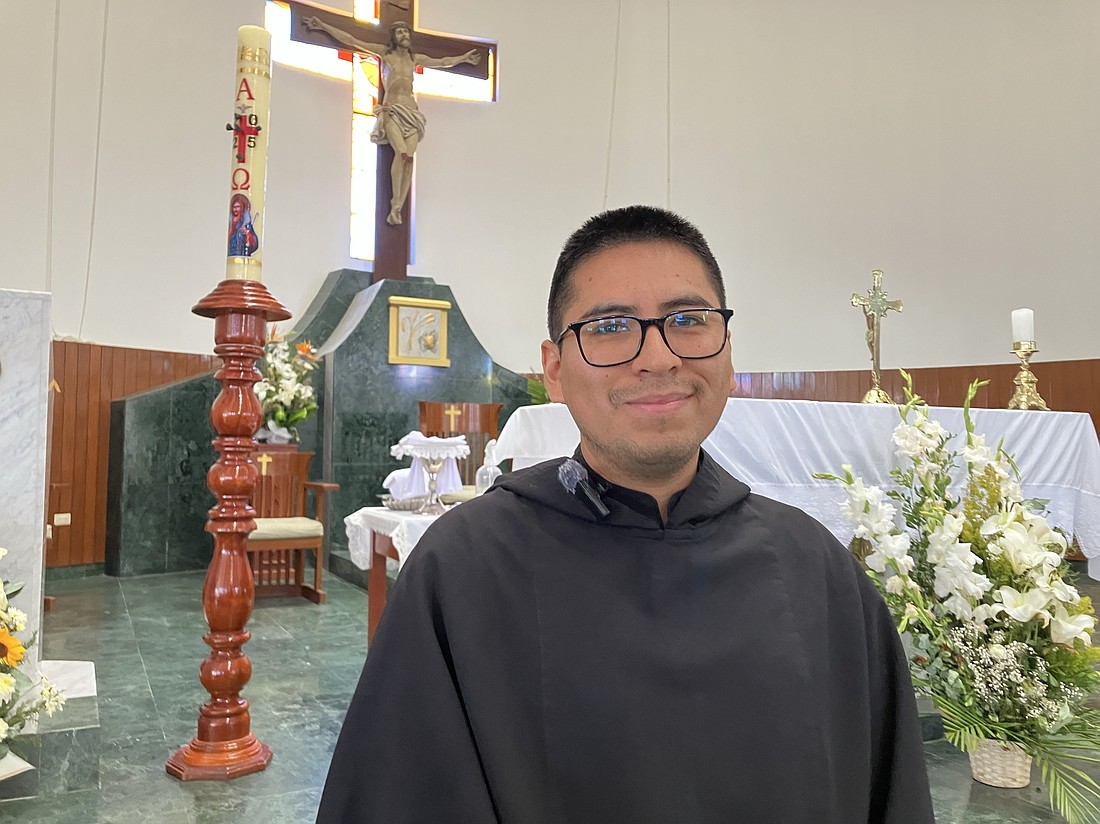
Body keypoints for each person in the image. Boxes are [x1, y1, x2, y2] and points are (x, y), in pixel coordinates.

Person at [316, 205, 935, 823]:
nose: (658, 357)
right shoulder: (462, 571)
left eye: (688, 320)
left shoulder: (817, 569)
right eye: (611, 326)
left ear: (726, 352)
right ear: (555, 370)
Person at [302, 16, 480, 225]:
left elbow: (442, 62)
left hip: (412, 114)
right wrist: (322, 24)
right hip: (393, 111)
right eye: (400, 32)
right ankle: (395, 203)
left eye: (406, 32)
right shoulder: (385, 55)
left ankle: (398, 207)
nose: (404, 35)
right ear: (394, 38)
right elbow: (351, 39)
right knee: (401, 153)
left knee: (409, 159)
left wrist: (465, 58)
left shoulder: (414, 60)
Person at [227, 193, 258, 257]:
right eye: (234, 207)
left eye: (238, 207)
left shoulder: (245, 223)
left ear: (242, 208)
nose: (235, 209)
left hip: (242, 253)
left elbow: (254, 242)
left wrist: (246, 233)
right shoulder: (231, 221)